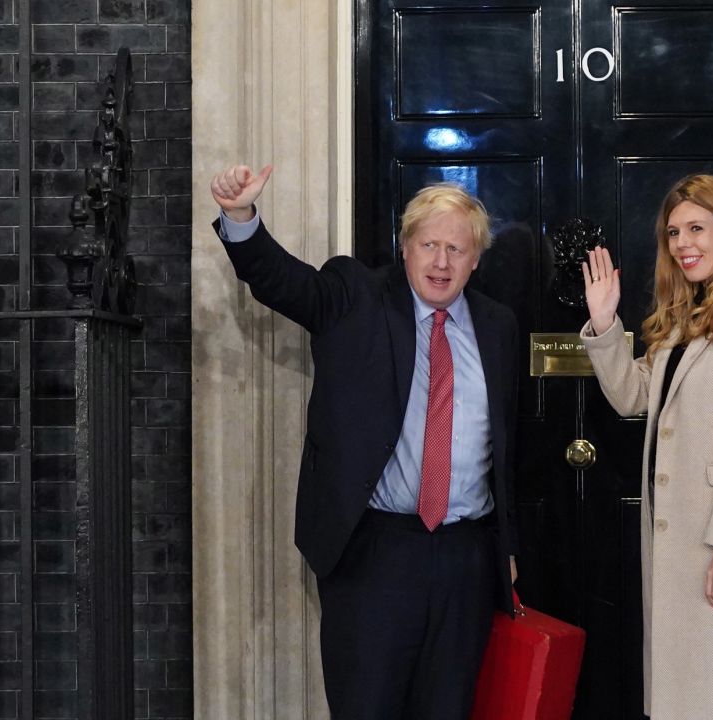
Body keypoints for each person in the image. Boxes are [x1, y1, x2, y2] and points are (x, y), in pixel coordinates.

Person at [210, 164, 519, 719]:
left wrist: (507, 549)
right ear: (405, 248)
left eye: (456, 249)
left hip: (465, 561)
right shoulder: (355, 297)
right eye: (429, 245)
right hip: (375, 554)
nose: (441, 262)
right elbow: (284, 281)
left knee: (448, 708)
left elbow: (511, 447)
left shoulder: (498, 327)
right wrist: (241, 217)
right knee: (365, 707)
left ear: (476, 258)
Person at [580, 174, 713, 719]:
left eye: (697, 228)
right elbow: (633, 397)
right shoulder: (687, 320)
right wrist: (604, 323)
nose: (682, 244)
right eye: (674, 232)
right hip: (682, 552)